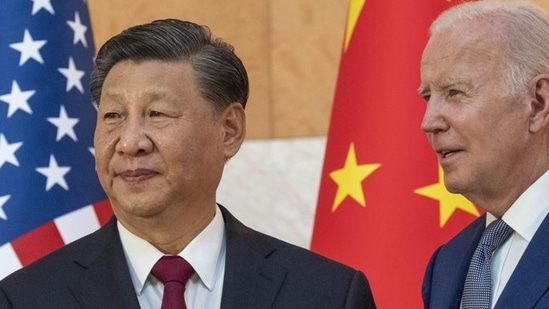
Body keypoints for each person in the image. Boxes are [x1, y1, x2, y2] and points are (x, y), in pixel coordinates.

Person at [0, 19, 376, 308]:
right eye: (113, 116)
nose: (130, 143)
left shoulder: (325, 294)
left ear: (229, 130)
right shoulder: (25, 298)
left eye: (157, 113)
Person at [419, 1, 549, 308]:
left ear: (537, 103)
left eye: (454, 92)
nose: (428, 122)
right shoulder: (446, 265)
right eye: (428, 96)